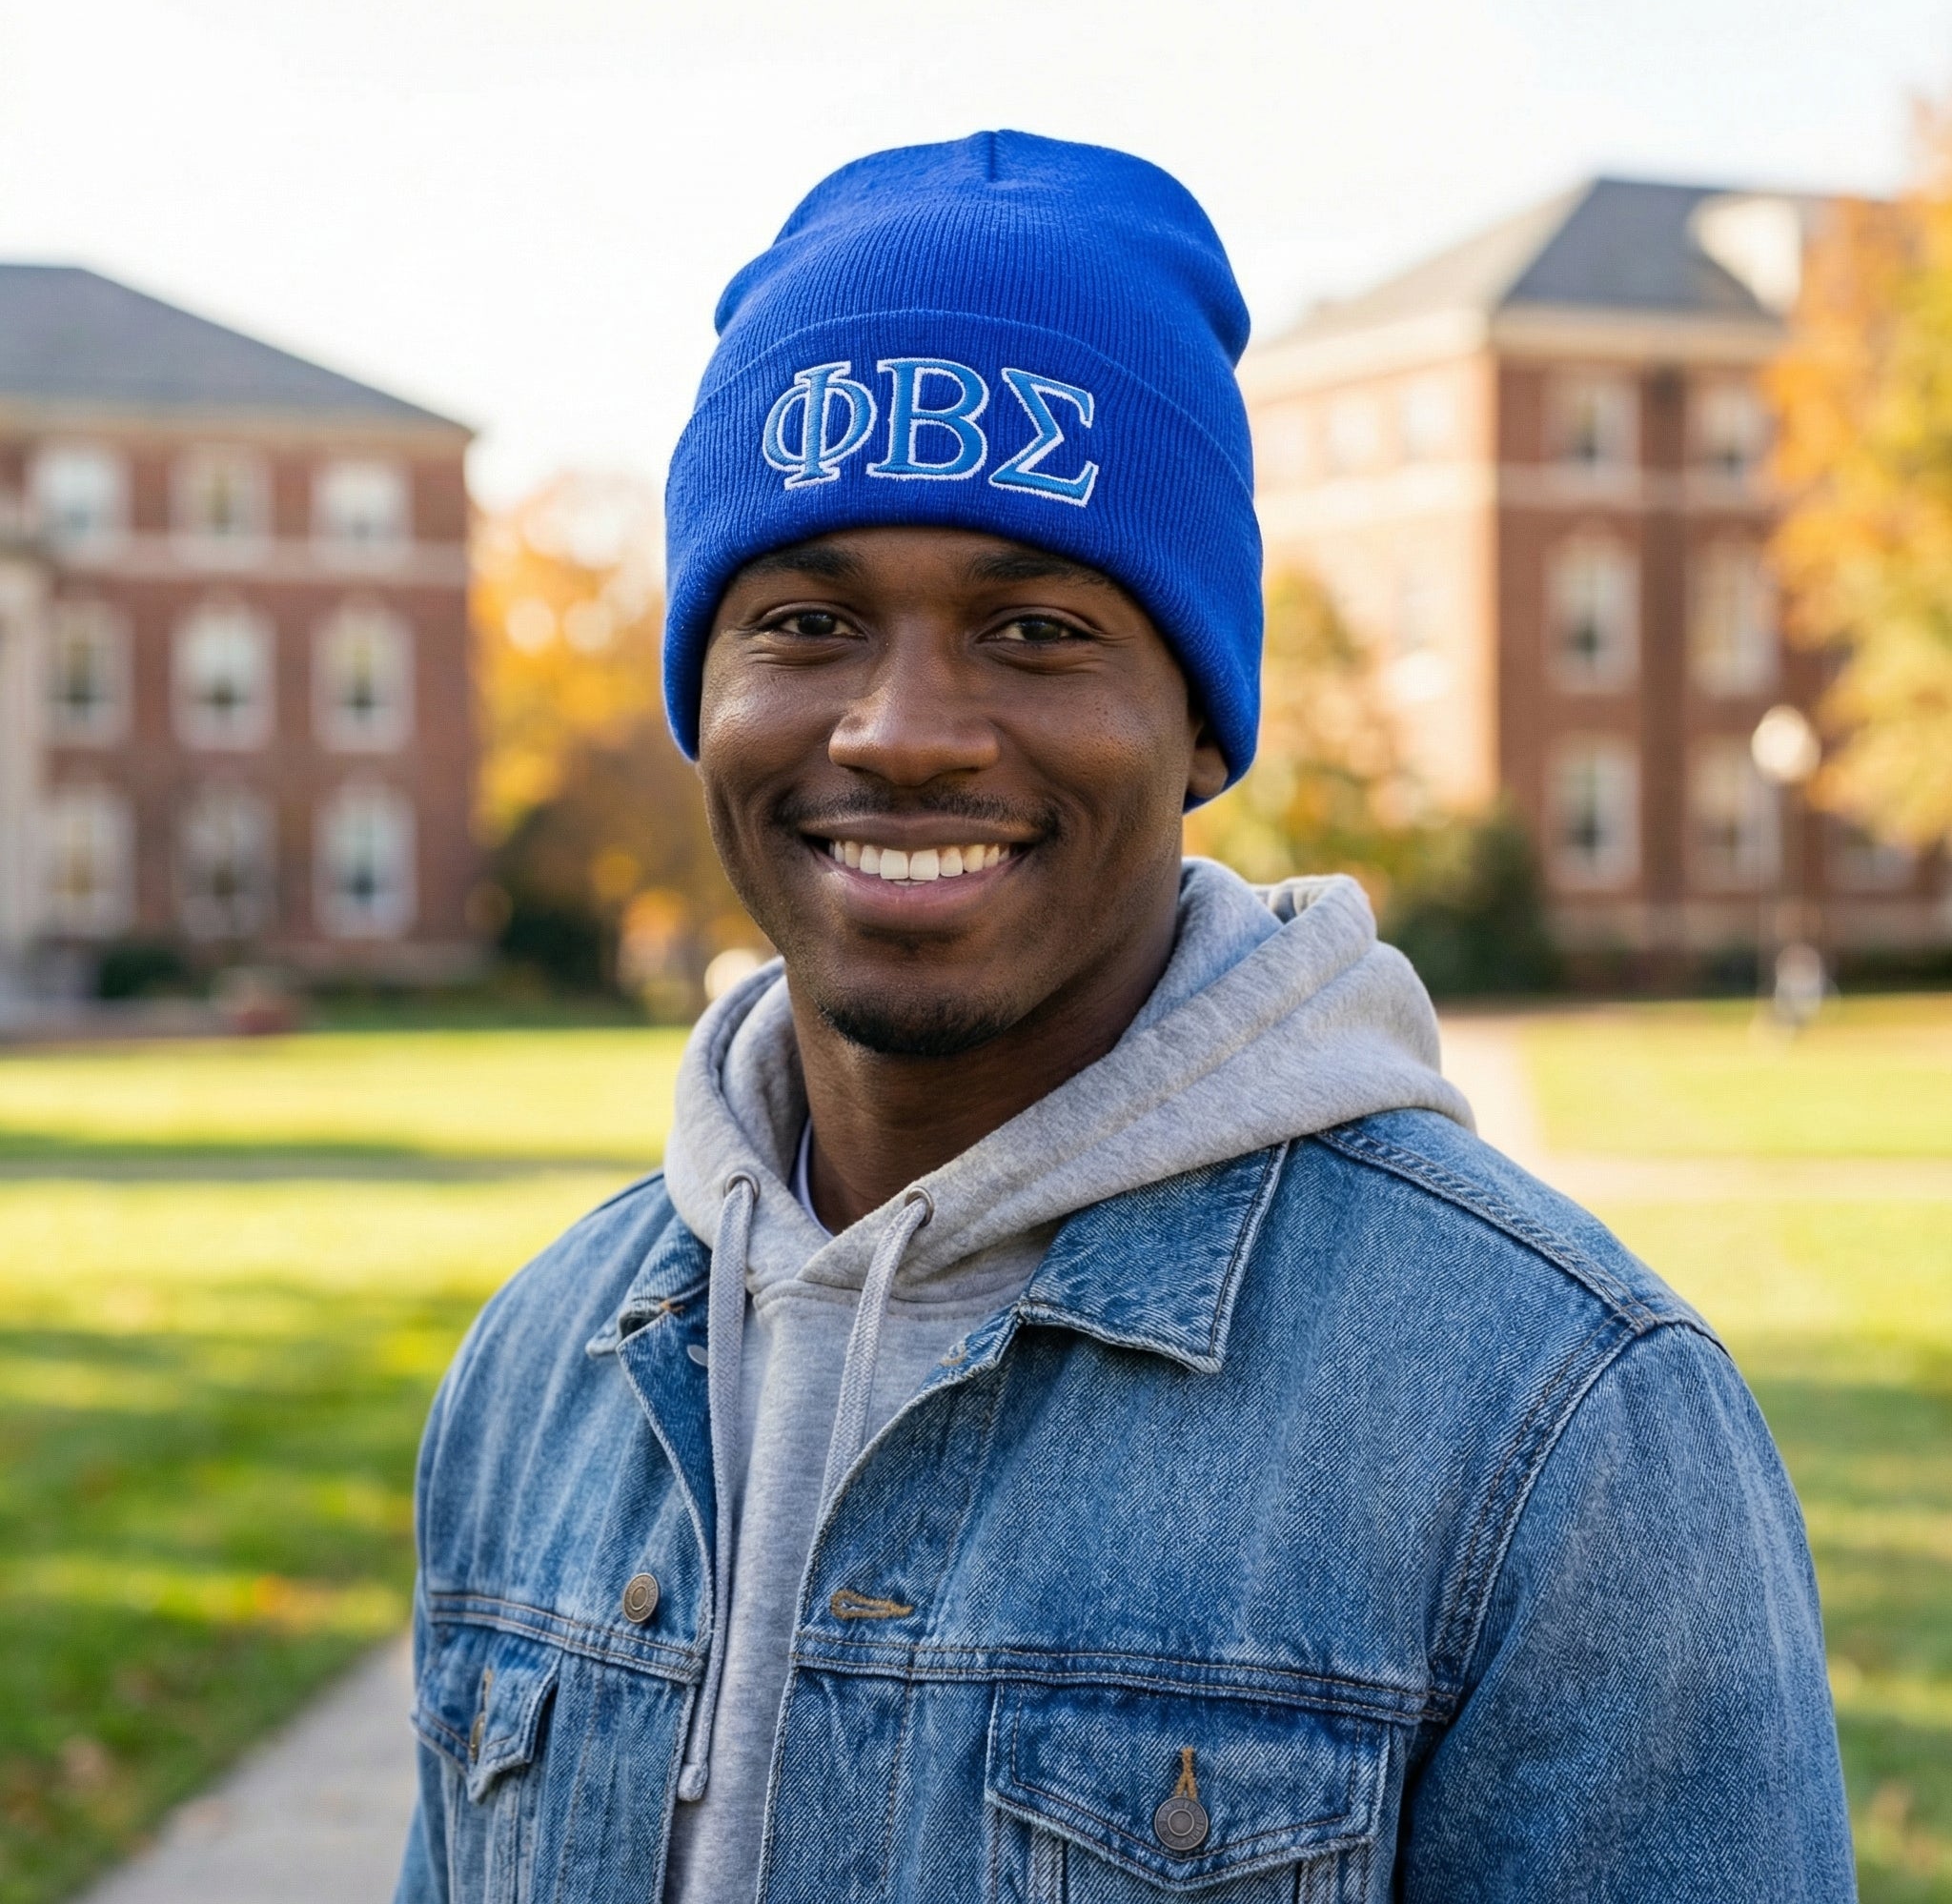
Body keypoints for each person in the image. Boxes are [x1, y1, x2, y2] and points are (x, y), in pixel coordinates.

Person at [395, 132, 1854, 1903]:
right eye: (805, 618)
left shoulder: (1556, 1418)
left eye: (1032, 626)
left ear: (1205, 727)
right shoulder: (541, 1371)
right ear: (706, 694)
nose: (900, 728)